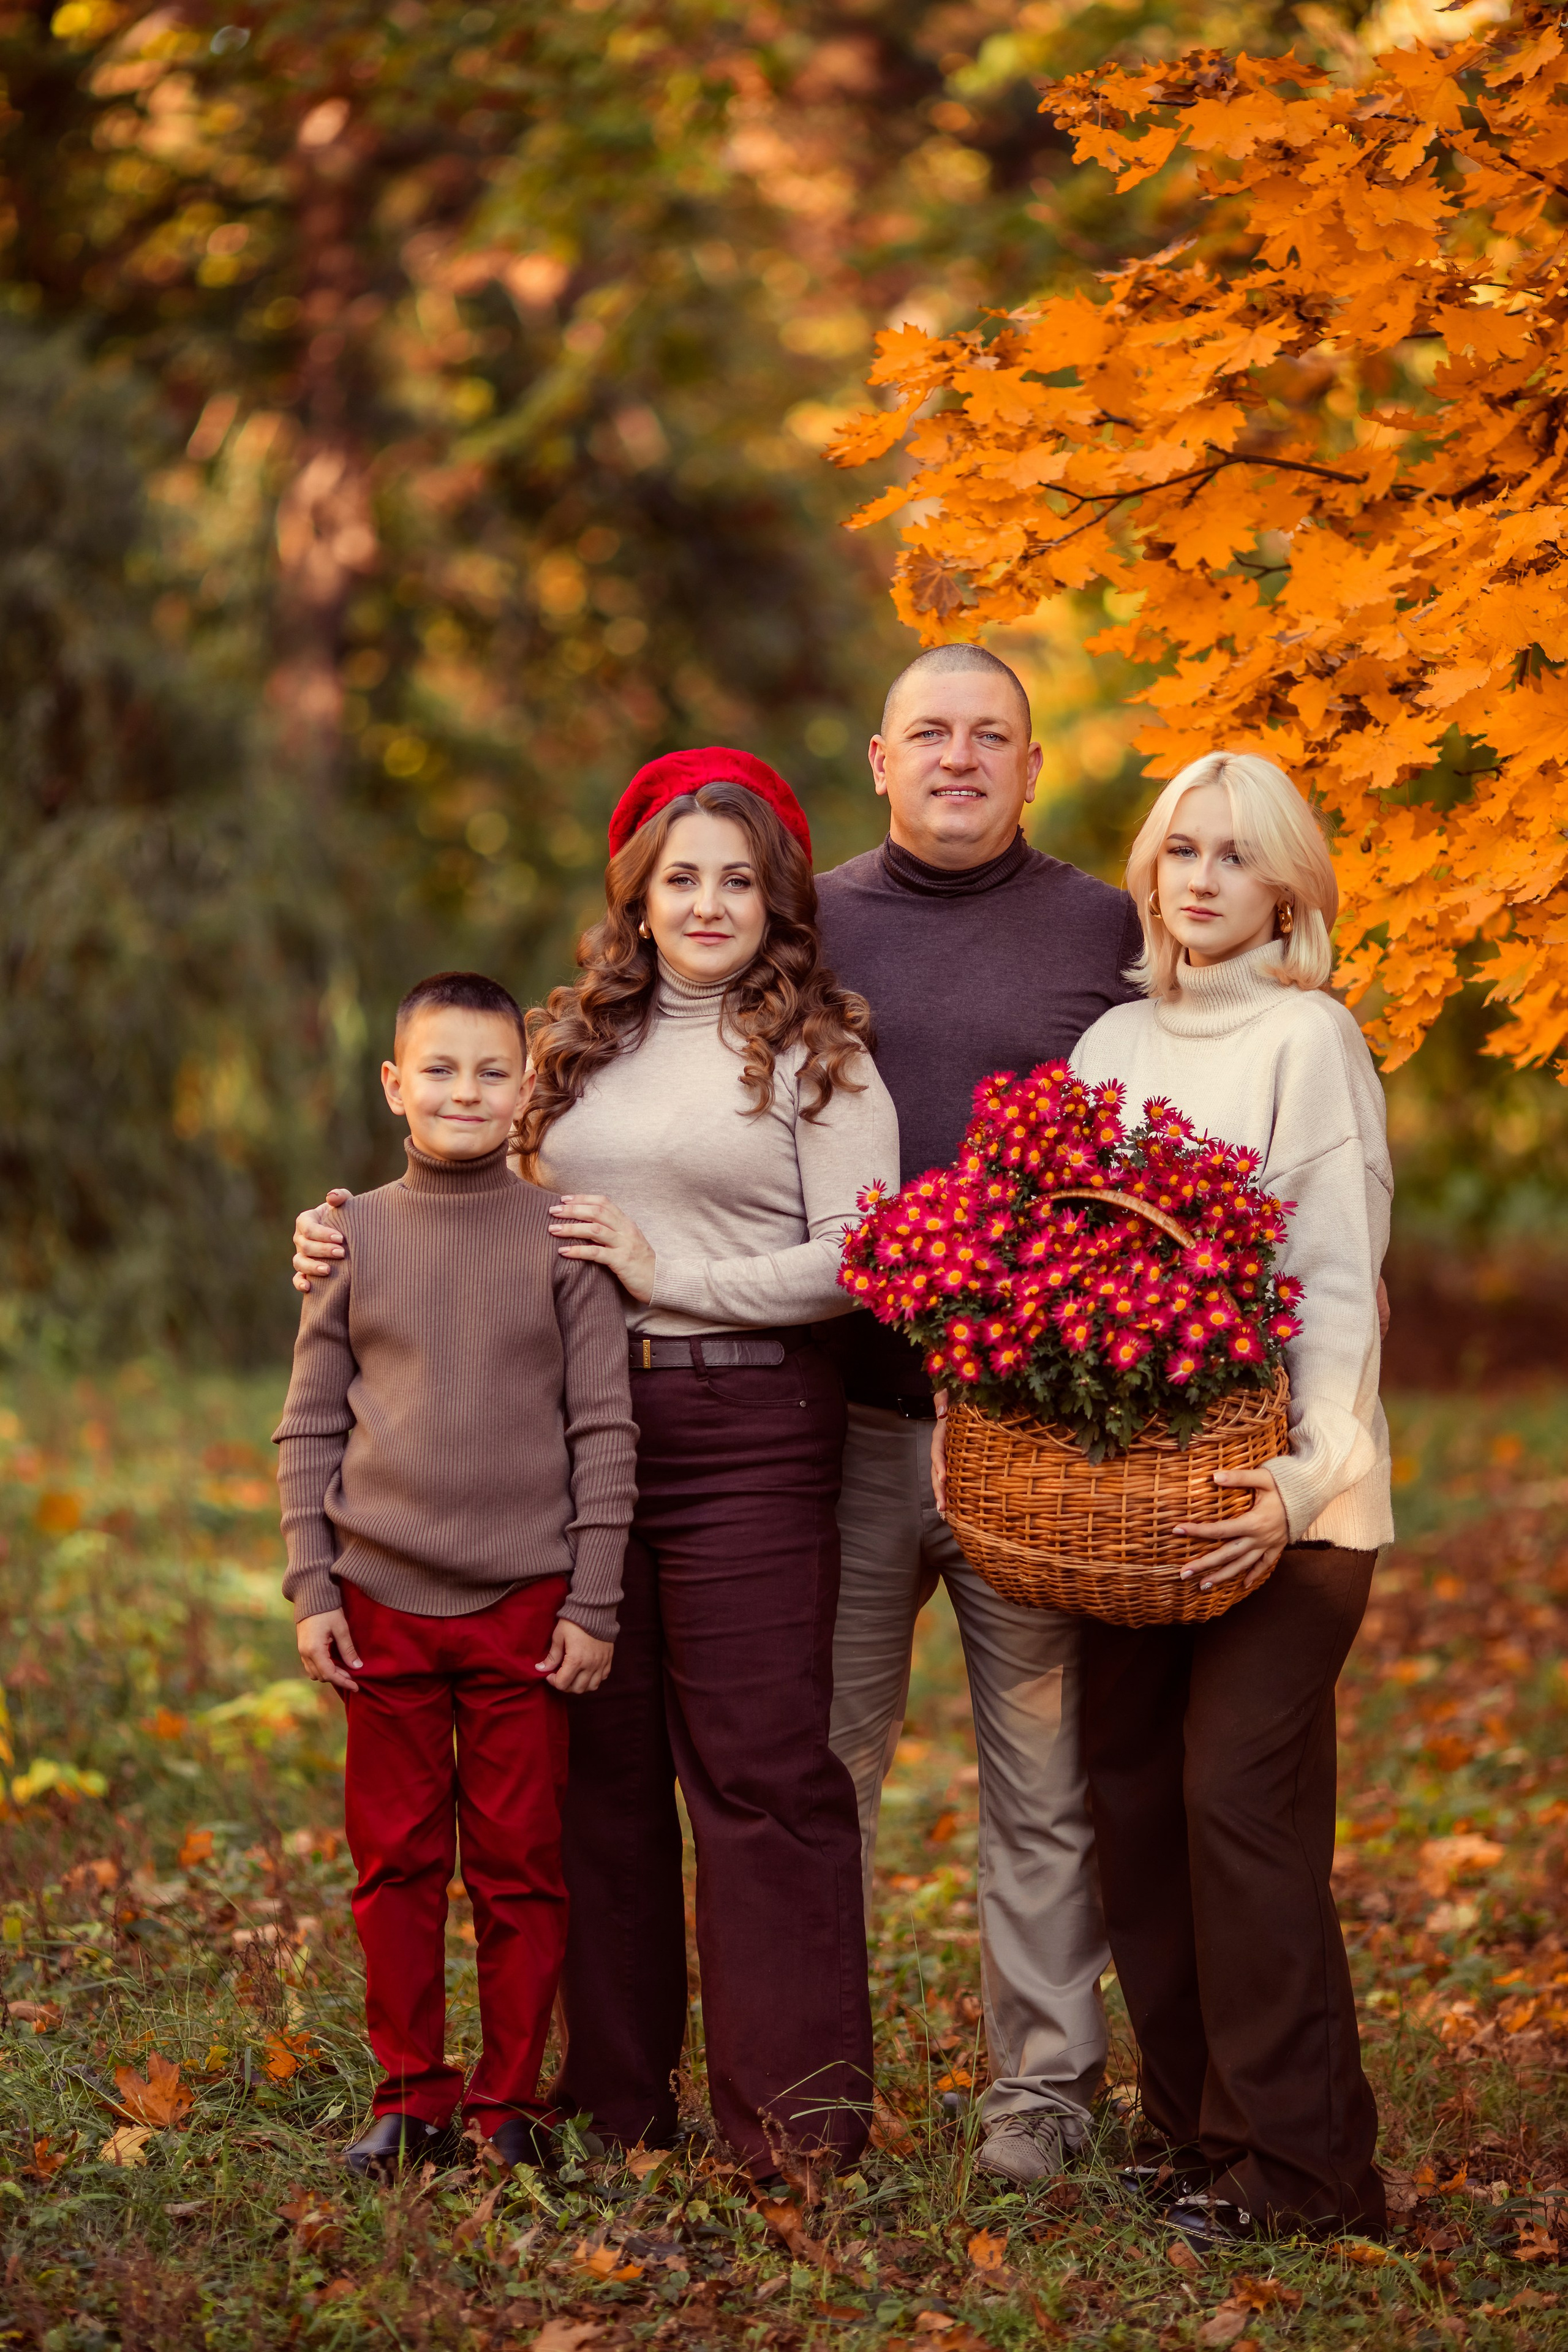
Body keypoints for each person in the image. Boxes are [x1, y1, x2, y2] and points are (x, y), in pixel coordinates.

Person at [293, 757, 898, 2184]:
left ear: (777, 900)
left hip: (746, 1429)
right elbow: (456, 1190)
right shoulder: (566, 1046)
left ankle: (792, 2124)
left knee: (758, 1775)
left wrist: (668, 1269)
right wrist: (336, 1231)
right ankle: (615, 2099)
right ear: (635, 891)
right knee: (595, 1776)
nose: (707, 904)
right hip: (566, 1450)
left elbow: (867, 1259)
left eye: (738, 880)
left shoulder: (822, 1053)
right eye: (680, 876)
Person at [813, 643, 1145, 2182]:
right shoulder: (797, 919)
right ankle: (809, 2074)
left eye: (989, 735)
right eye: (928, 733)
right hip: (840, 1421)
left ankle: (1041, 2096)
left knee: (1042, 1780)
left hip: (1032, 1435)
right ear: (878, 759)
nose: (959, 757)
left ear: (1030, 767)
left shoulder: (1103, 928)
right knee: (821, 1774)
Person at [1067, 750, 1392, 2244]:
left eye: (1231, 857)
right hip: (1131, 1498)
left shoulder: (1306, 1037)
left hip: (1285, 1507)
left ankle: (1309, 2171)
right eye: (1177, 849)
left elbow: (1334, 1281)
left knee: (1233, 1803)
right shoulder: (1109, 1045)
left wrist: (1296, 1483)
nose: (1196, 879)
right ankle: (1197, 2131)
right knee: (1133, 1803)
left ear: (1282, 887)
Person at [274, 970, 636, 2179]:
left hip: (525, 1610)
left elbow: (603, 1431)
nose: (465, 1092)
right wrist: (313, 1587)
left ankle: (505, 2104)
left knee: (520, 1866)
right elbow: (310, 1428)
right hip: (378, 1602)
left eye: (492, 1071)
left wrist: (591, 1600)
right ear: (395, 1087)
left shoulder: (564, 1236)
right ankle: (409, 2098)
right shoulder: (352, 1237)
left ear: (525, 1087)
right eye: (439, 1069)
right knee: (395, 1864)